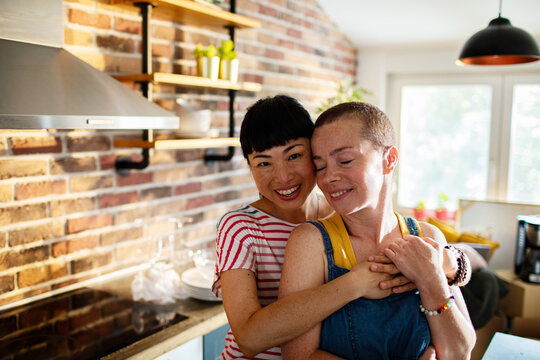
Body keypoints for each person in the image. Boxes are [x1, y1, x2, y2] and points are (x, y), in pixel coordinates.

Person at [212, 95, 469, 360]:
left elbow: (460, 343)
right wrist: (355, 283)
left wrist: (452, 263)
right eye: (263, 163)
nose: (283, 176)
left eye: (295, 156)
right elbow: (249, 339)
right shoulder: (244, 227)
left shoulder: (342, 209)